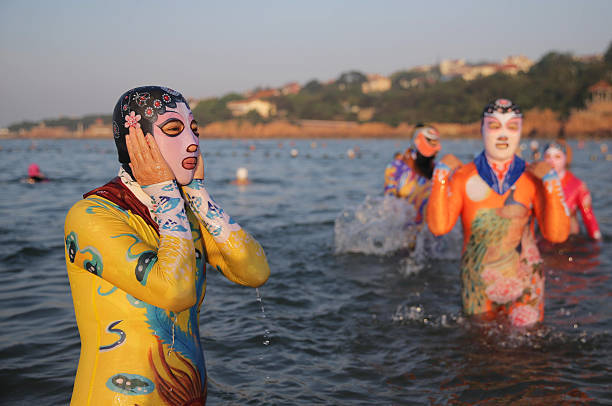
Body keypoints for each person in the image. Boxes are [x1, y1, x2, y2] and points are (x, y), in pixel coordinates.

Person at [64, 86, 270, 405]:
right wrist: (164, 191)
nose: (192, 141)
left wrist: (199, 195)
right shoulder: (92, 215)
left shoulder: (186, 211)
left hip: (189, 393)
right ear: (136, 142)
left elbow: (255, 272)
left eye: (194, 129)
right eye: (174, 129)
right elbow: (175, 292)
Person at [426, 98, 570, 327]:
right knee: (479, 348)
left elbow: (558, 235)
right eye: (494, 126)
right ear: (481, 130)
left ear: (520, 132)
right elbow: (438, 227)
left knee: (527, 348)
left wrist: (552, 184)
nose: (503, 135)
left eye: (512, 127)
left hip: (526, 279)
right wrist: (440, 177)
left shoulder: (532, 177)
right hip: (477, 280)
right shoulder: (463, 176)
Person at [543, 140, 601, 240]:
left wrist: (597, 240)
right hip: (544, 237)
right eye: (548, 157)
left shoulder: (577, 186)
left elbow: (589, 217)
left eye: (557, 157)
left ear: (566, 159)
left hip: (571, 239)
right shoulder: (538, 183)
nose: (552, 161)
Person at [383, 124, 441, 224]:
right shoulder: (396, 168)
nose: (438, 148)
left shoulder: (438, 171)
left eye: (437, 142)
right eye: (432, 143)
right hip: (404, 230)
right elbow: (389, 201)